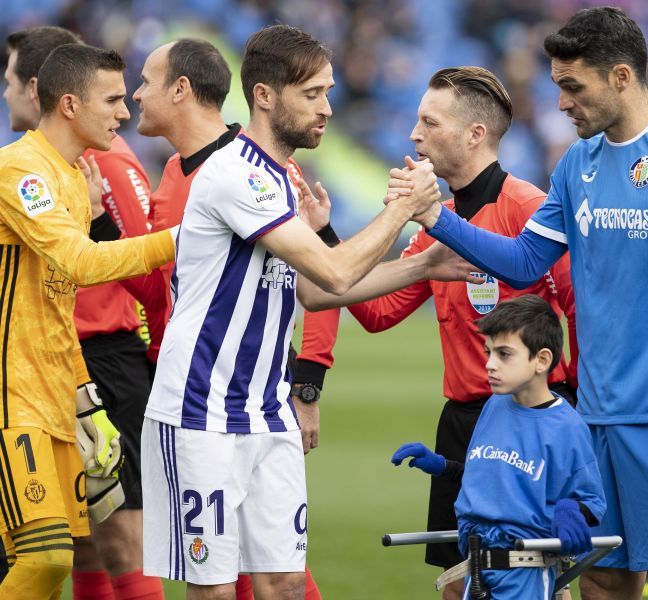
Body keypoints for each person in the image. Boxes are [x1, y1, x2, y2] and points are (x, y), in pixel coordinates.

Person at [389, 7, 648, 599]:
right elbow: (522, 262)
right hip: (590, 416)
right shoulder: (576, 164)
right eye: (558, 85)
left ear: (620, 76)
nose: (561, 101)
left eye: (572, 86)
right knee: (604, 580)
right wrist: (435, 217)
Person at [139, 24, 443, 599]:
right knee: (216, 589)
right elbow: (332, 270)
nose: (327, 108)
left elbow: (314, 292)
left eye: (328, 92)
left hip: (267, 410)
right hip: (202, 408)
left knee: (283, 583)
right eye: (312, 94)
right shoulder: (234, 173)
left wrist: (424, 268)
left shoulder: (281, 177)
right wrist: (404, 208)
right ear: (264, 96)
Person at [297, 65, 577, 600]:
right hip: (461, 426)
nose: (413, 134)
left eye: (429, 122)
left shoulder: (529, 208)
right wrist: (326, 238)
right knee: (456, 587)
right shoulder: (437, 222)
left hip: (528, 424)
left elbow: (578, 310)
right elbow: (378, 313)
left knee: (535, 581)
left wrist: (568, 416)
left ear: (475, 135)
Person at [131, 36, 333, 600]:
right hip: (196, 392)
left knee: (282, 578)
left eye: (146, 80)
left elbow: (316, 278)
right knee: (224, 580)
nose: (135, 94)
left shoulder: (263, 171)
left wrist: (307, 379)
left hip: (257, 399)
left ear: (180, 89)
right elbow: (167, 286)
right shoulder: (176, 172)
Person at [0, 42, 176, 598]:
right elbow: (77, 262)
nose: (125, 113)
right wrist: (176, 240)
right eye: (114, 100)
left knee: (68, 560)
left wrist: (85, 401)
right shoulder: (20, 171)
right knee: (45, 559)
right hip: (12, 395)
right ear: (71, 105)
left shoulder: (75, 178)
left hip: (56, 394)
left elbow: (58, 306)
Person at [391, 295, 605, 599]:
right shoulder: (494, 406)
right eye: (488, 352)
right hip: (476, 568)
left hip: (524, 574)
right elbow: (494, 476)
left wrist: (571, 509)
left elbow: (592, 499)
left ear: (541, 360)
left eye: (504, 354)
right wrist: (443, 467)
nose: (489, 365)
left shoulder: (567, 426)